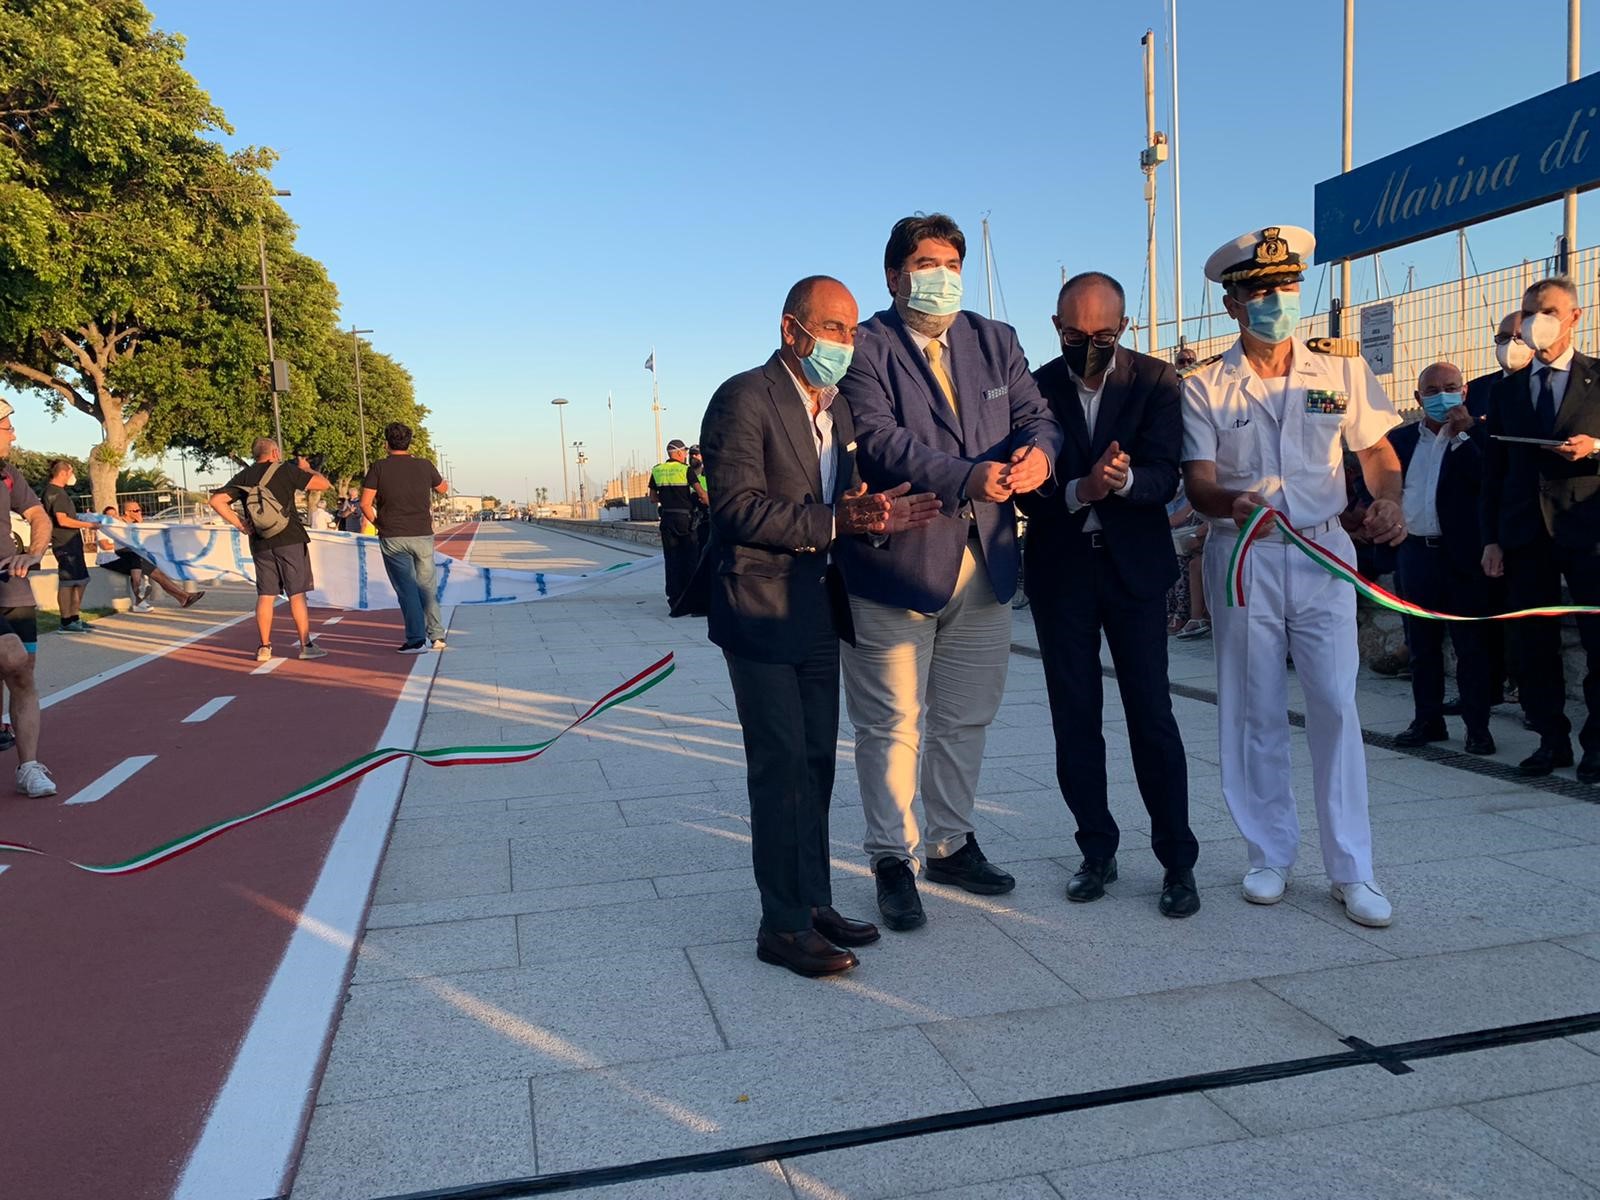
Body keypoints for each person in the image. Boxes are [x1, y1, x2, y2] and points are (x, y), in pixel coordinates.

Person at [701, 275, 939, 978]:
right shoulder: (744, 397)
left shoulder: (836, 411)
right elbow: (737, 508)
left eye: (851, 330)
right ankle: (779, 925)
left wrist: (873, 520)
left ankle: (814, 902)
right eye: (832, 329)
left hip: (815, 607)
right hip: (759, 609)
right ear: (791, 331)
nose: (846, 342)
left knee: (814, 764)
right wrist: (837, 521)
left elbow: (844, 506)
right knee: (778, 768)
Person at [835, 213, 1062, 931]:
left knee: (965, 718)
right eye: (929, 262)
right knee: (891, 724)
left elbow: (1038, 417)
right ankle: (891, 859)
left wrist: (1041, 456)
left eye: (953, 262)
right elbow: (878, 437)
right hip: (895, 568)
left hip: (985, 562)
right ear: (895, 275)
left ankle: (950, 841)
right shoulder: (864, 347)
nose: (945, 276)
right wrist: (969, 476)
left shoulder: (997, 341)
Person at [1182, 225, 1405, 928]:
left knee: (1336, 703)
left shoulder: (1339, 371)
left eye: (1284, 287)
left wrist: (1389, 501)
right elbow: (1200, 483)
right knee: (1254, 707)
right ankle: (1268, 853)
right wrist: (1233, 503)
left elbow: (1375, 452)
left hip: (1325, 550)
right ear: (1232, 304)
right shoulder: (1205, 387)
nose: (1275, 301)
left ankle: (1353, 868)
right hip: (1245, 551)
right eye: (1258, 291)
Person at [1019, 272, 1199, 917]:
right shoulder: (1034, 386)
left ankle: (1177, 861)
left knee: (1152, 714)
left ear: (1123, 327)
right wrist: (1079, 490)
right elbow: (1027, 484)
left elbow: (1165, 471)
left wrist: (1121, 484)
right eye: (1073, 334)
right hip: (1061, 570)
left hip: (1134, 570)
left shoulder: (1155, 381)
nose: (1086, 345)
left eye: (1099, 334)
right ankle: (1096, 850)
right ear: (1056, 327)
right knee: (1075, 718)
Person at [1482, 277, 1600, 781]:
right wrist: (1491, 537)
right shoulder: (1506, 388)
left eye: (1548, 310)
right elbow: (1495, 470)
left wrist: (1595, 447)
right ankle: (1551, 740)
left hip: (1588, 528)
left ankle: (1596, 745)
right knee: (1533, 643)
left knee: (1597, 640)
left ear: (1574, 316)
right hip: (1525, 531)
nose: (1536, 321)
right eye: (1529, 311)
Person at [1390, 363, 1494, 756]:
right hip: (1416, 552)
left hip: (1463, 556)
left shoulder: (1480, 436)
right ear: (1418, 399)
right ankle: (1427, 720)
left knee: (1471, 646)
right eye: (1431, 390)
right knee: (1421, 645)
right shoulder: (1401, 441)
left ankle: (1477, 727)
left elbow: (1487, 480)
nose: (1441, 396)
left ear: (1464, 392)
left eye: (1450, 388)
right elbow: (1379, 484)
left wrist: (1463, 434)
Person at [1458, 310, 1530, 713]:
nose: (1509, 346)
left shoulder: (1562, 386)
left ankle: (1527, 691)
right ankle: (1485, 690)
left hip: (1535, 523)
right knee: (1483, 614)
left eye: (1517, 336)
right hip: (1484, 523)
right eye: (1502, 337)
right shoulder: (1482, 389)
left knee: (1528, 619)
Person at [209, 437, 332, 662]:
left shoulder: (244, 476)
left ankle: (264, 647)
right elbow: (323, 485)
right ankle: (306, 645)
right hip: (290, 538)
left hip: (260, 541)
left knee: (265, 595)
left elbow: (216, 501)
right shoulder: (285, 470)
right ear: (275, 452)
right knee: (297, 594)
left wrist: (240, 524)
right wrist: (307, 469)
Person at [0, 402, 58, 796]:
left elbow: (39, 517)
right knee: (11, 656)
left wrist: (34, 553)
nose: (14, 434)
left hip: (11, 583)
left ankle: (30, 767)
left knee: (23, 671)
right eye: (7, 427)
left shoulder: (8, 475)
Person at [361, 422, 450, 653]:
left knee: (407, 588)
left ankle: (415, 640)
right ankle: (437, 636)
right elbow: (442, 489)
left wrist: (379, 523)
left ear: (386, 444)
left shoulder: (379, 468)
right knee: (427, 586)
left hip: (393, 535)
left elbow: (365, 504)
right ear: (410, 442)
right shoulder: (424, 465)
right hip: (422, 532)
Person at [99, 500, 206, 612]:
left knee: (157, 571)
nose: (139, 512)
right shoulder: (112, 526)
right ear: (127, 512)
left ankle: (183, 598)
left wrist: (139, 525)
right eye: (136, 510)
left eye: (140, 509)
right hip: (116, 557)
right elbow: (108, 546)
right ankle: (182, 596)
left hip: (132, 555)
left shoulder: (133, 525)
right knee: (153, 572)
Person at [41, 459, 95, 633]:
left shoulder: (55, 492)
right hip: (65, 544)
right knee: (68, 582)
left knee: (80, 581)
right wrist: (90, 526)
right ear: (63, 473)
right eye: (71, 472)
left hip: (71, 543)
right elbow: (62, 520)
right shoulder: (56, 493)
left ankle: (74, 617)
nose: (73, 477)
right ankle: (66, 621)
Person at [649, 439, 697, 608]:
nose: (685, 455)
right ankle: (690, 598)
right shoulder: (686, 470)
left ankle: (674, 600)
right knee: (690, 559)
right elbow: (702, 495)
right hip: (685, 520)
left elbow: (653, 498)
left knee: (672, 561)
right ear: (677, 453)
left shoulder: (657, 470)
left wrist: (668, 499)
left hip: (667, 520)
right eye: (684, 452)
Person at [688, 444, 711, 551]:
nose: (693, 457)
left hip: (706, 515)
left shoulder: (708, 472)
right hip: (690, 517)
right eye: (691, 454)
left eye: (696, 454)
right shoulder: (685, 472)